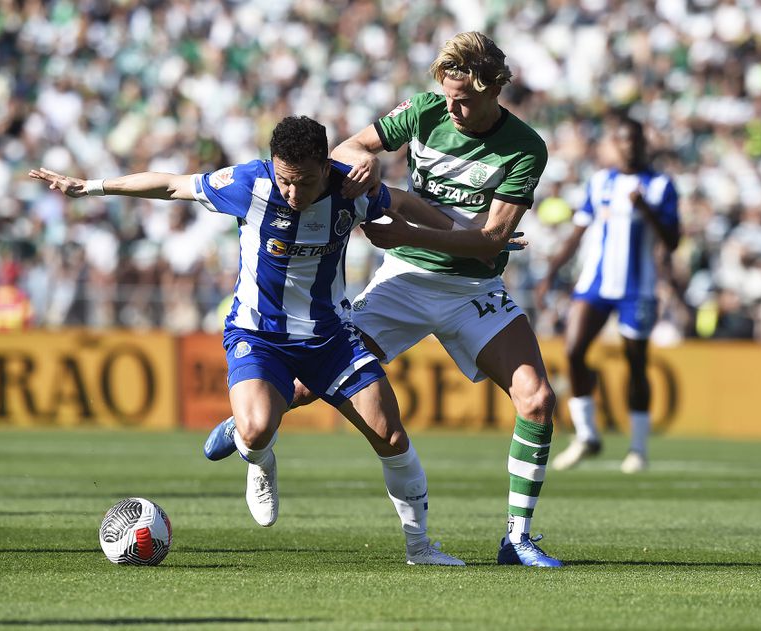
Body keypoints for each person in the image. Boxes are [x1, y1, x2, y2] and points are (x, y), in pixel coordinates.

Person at [30, 115, 465, 566]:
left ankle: (420, 549)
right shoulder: (249, 183)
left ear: (325, 165)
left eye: (304, 181)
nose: (292, 193)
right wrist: (92, 187)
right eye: (285, 180)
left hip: (330, 336)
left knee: (391, 437)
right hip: (258, 334)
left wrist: (475, 239)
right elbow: (172, 186)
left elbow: (406, 205)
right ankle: (259, 460)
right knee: (258, 430)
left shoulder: (351, 188)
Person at [206, 32, 563, 567]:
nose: (452, 108)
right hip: (403, 281)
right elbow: (344, 151)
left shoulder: (526, 147)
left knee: (536, 399)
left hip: (473, 289)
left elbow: (490, 239)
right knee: (309, 381)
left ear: (494, 89)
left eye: (463, 98)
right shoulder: (424, 111)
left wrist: (407, 233)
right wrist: (367, 164)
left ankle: (516, 538)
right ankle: (247, 427)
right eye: (446, 96)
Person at [534, 114, 680, 474]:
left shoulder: (661, 186)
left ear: (644, 143)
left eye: (634, 140)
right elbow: (578, 232)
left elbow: (673, 241)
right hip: (595, 284)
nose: (628, 147)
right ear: (615, 145)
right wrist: (550, 273)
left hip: (637, 288)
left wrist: (645, 208)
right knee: (573, 349)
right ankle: (587, 435)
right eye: (622, 140)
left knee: (636, 364)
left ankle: (638, 448)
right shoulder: (600, 182)